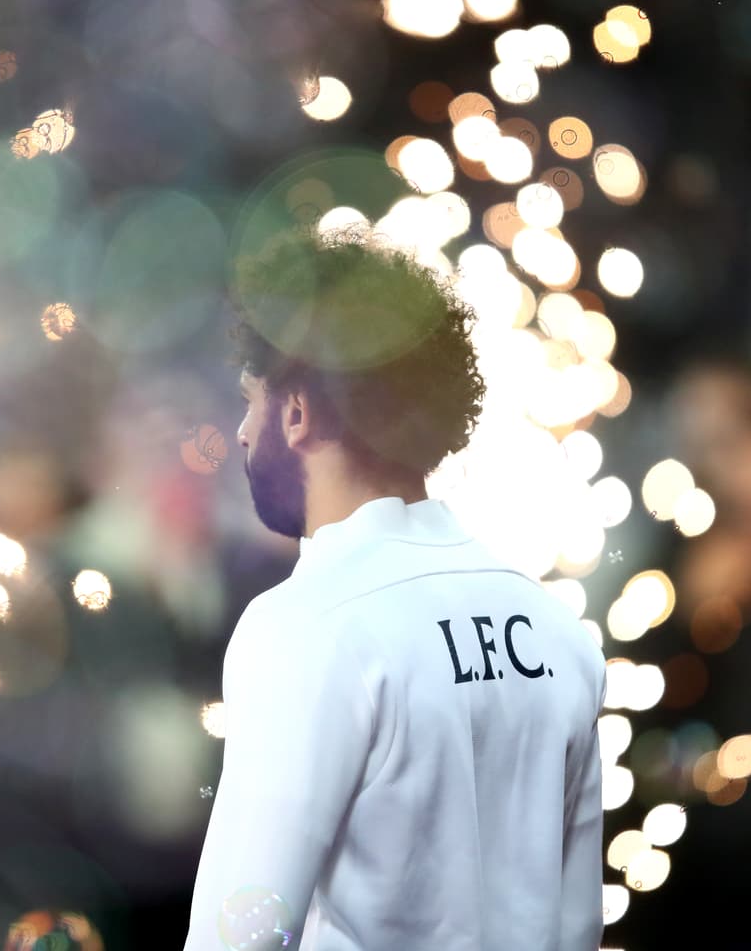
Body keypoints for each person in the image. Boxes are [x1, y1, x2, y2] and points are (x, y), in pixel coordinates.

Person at [183, 231, 608, 951]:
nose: (243, 431)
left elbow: (242, 933)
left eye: (252, 399)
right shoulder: (559, 633)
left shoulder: (303, 627)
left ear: (297, 412)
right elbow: (578, 932)